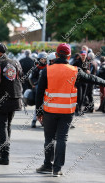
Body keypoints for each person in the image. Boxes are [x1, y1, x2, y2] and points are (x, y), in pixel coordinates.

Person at [35, 43, 105, 177]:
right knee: (62, 139)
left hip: (49, 111)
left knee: (49, 138)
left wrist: (39, 111)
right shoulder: (74, 70)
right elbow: (91, 79)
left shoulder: (47, 70)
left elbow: (39, 92)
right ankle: (57, 169)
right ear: (69, 56)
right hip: (67, 112)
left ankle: (47, 165)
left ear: (56, 55)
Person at [29, 52, 47, 128]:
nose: (43, 61)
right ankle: (34, 120)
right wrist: (35, 84)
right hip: (38, 89)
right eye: (41, 59)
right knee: (38, 105)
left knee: (45, 106)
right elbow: (31, 77)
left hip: (46, 89)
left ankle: (43, 121)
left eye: (44, 59)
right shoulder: (36, 68)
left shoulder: (48, 68)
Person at [72, 51, 89, 116]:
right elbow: (72, 69)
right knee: (79, 96)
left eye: (84, 55)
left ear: (86, 56)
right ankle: (76, 110)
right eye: (82, 55)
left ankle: (80, 110)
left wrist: (88, 72)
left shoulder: (87, 62)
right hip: (78, 81)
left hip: (85, 81)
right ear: (80, 55)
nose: (83, 56)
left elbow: (88, 70)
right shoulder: (77, 62)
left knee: (83, 96)